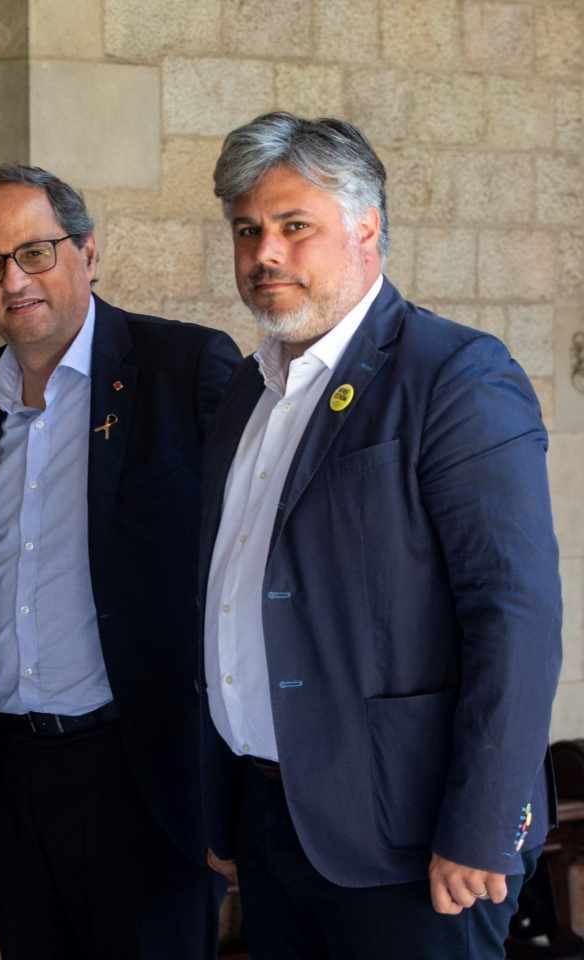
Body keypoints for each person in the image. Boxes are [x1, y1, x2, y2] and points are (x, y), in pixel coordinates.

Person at [199, 112, 562, 958]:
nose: (266, 254)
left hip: (416, 842)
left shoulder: (455, 375)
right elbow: (224, 601)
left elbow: (515, 615)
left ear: (366, 226)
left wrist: (479, 827)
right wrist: (223, 806)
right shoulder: (245, 396)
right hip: (274, 826)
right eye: (247, 231)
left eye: (295, 226)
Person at [0, 164, 241, 959]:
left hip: (144, 780)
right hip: (16, 782)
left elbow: (243, 572)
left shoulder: (185, 369)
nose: (14, 280)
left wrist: (227, 786)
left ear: (89, 252)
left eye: (35, 252)